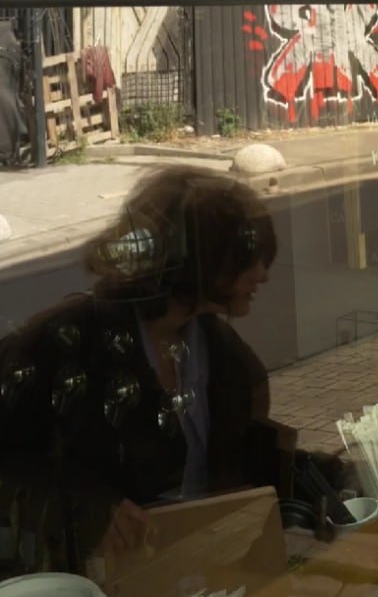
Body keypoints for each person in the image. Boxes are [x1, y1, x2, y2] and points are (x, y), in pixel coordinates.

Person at [0, 165, 293, 578]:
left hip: (201, 569)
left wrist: (323, 481)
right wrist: (84, 507)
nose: (263, 274)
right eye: (247, 259)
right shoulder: (65, 343)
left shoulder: (217, 348)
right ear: (198, 261)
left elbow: (238, 456)